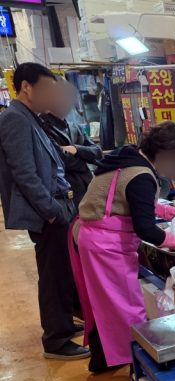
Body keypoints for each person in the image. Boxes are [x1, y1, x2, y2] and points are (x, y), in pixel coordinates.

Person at [70, 122, 175, 373]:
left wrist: (167, 210)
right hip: (106, 246)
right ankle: (138, 369)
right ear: (165, 156)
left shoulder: (130, 159)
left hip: (92, 237)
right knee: (128, 307)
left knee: (103, 305)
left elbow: (130, 201)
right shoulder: (141, 175)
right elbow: (146, 229)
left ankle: (102, 361)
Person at [0, 63, 89, 360]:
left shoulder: (31, 118)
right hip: (48, 211)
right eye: (47, 89)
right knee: (53, 275)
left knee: (62, 271)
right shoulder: (15, 118)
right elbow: (24, 173)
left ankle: (63, 324)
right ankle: (56, 339)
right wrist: (51, 210)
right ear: (27, 87)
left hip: (58, 204)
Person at [40, 78, 102, 206]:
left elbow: (97, 152)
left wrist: (76, 149)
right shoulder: (41, 127)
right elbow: (61, 161)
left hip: (88, 189)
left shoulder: (75, 126)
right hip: (63, 195)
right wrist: (85, 160)